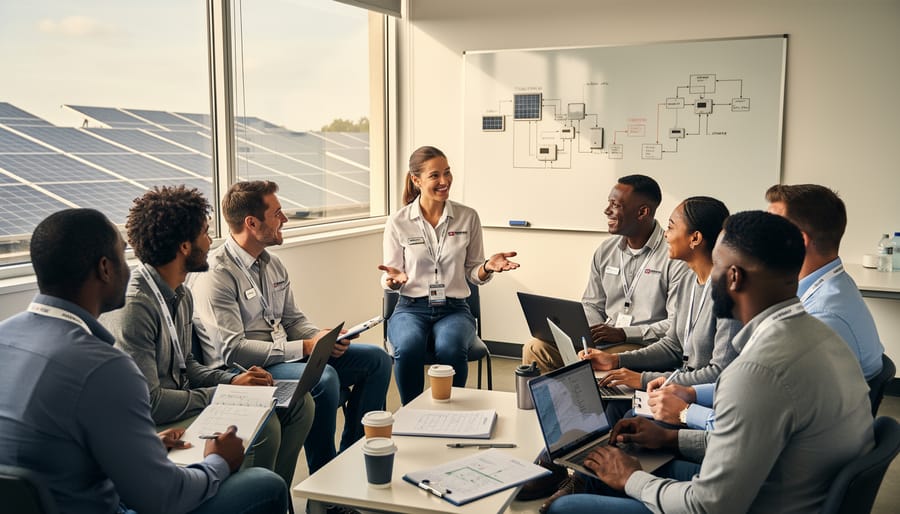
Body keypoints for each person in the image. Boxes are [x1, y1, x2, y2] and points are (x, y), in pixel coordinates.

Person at [547, 211, 874, 514]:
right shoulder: (821, 333)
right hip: (779, 482)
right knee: (615, 463)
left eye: (714, 266)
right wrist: (669, 439)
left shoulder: (757, 371)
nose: (705, 277)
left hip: (756, 504)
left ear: (733, 277)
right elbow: (750, 440)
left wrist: (631, 478)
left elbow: (708, 506)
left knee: (567, 510)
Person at [0, 208, 287, 513]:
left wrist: (136, 451)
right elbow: (163, 498)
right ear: (105, 269)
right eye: (123, 258)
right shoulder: (104, 367)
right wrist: (219, 462)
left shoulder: (6, 335)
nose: (130, 268)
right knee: (265, 485)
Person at [101, 186, 313, 488]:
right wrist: (224, 393)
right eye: (205, 232)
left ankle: (271, 499)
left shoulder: (180, 293)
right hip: (156, 423)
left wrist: (232, 382)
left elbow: (185, 364)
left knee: (300, 406)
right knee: (267, 428)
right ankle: (258, 494)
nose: (210, 241)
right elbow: (152, 403)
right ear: (185, 247)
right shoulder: (136, 306)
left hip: (183, 399)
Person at [189, 180, 392, 486]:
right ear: (252, 223)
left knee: (377, 359)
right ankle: (328, 481)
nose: (284, 219)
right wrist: (306, 347)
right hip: (246, 369)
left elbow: (293, 319)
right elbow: (232, 350)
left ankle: (352, 459)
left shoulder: (274, 264)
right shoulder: (216, 274)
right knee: (324, 380)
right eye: (278, 213)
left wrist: (322, 339)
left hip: (284, 356)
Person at [648, 183, 885, 427]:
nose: (758, 233)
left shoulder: (821, 318)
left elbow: (759, 422)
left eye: (770, 225)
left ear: (798, 241)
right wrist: (694, 394)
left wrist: (687, 413)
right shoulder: (830, 288)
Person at [378, 145, 520, 405]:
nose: (444, 181)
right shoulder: (398, 221)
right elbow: (389, 274)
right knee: (408, 347)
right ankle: (412, 412)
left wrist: (487, 267)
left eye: (447, 173)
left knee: (450, 347)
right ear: (416, 180)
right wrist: (393, 280)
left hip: (454, 309)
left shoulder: (468, 217)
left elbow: (473, 272)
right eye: (434, 176)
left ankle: (451, 414)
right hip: (411, 307)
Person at [522, 174, 689, 374]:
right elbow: (593, 304)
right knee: (536, 348)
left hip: (643, 345)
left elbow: (675, 324)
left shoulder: (673, 255)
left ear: (642, 212)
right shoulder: (606, 250)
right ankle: (556, 405)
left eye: (615, 205)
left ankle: (590, 404)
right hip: (603, 341)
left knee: (597, 362)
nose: (606, 210)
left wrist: (624, 334)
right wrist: (585, 331)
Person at [581, 196, 741, 390]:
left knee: (619, 408)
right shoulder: (688, 281)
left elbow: (719, 373)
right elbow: (672, 346)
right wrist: (615, 360)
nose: (665, 235)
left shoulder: (729, 292)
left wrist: (643, 379)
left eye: (671, 227)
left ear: (695, 238)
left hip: (699, 396)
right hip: (678, 386)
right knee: (610, 398)